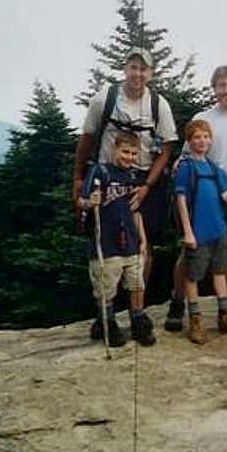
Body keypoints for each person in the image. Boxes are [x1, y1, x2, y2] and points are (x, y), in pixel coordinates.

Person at [164, 66, 227, 331]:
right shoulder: (203, 116)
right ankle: (177, 302)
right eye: (220, 85)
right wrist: (177, 164)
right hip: (202, 194)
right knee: (190, 251)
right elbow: (187, 151)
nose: (226, 90)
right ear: (214, 88)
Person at [73, 50, 177, 284]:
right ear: (125, 68)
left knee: (143, 241)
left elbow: (167, 148)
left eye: (143, 69)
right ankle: (109, 309)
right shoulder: (104, 98)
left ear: (151, 73)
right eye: (133, 67)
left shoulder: (158, 104)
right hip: (107, 176)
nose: (137, 73)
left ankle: (136, 307)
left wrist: (148, 186)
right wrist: (78, 178)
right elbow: (87, 139)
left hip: (143, 177)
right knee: (104, 240)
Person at [174, 120, 227, 344]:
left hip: (219, 229)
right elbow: (181, 199)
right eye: (197, 137)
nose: (202, 141)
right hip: (198, 231)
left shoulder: (213, 167)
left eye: (206, 137)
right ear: (189, 142)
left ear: (211, 140)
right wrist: (188, 232)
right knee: (193, 275)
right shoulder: (186, 167)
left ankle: (225, 315)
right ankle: (195, 319)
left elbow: (226, 196)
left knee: (220, 271)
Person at [78, 132, 157, 348]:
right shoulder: (99, 172)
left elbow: (135, 210)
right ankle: (107, 323)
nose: (129, 157)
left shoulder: (132, 177)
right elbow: (81, 201)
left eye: (133, 153)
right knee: (106, 288)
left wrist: (142, 239)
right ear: (114, 149)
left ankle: (137, 320)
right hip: (105, 243)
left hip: (129, 242)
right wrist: (89, 202)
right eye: (125, 152)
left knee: (136, 284)